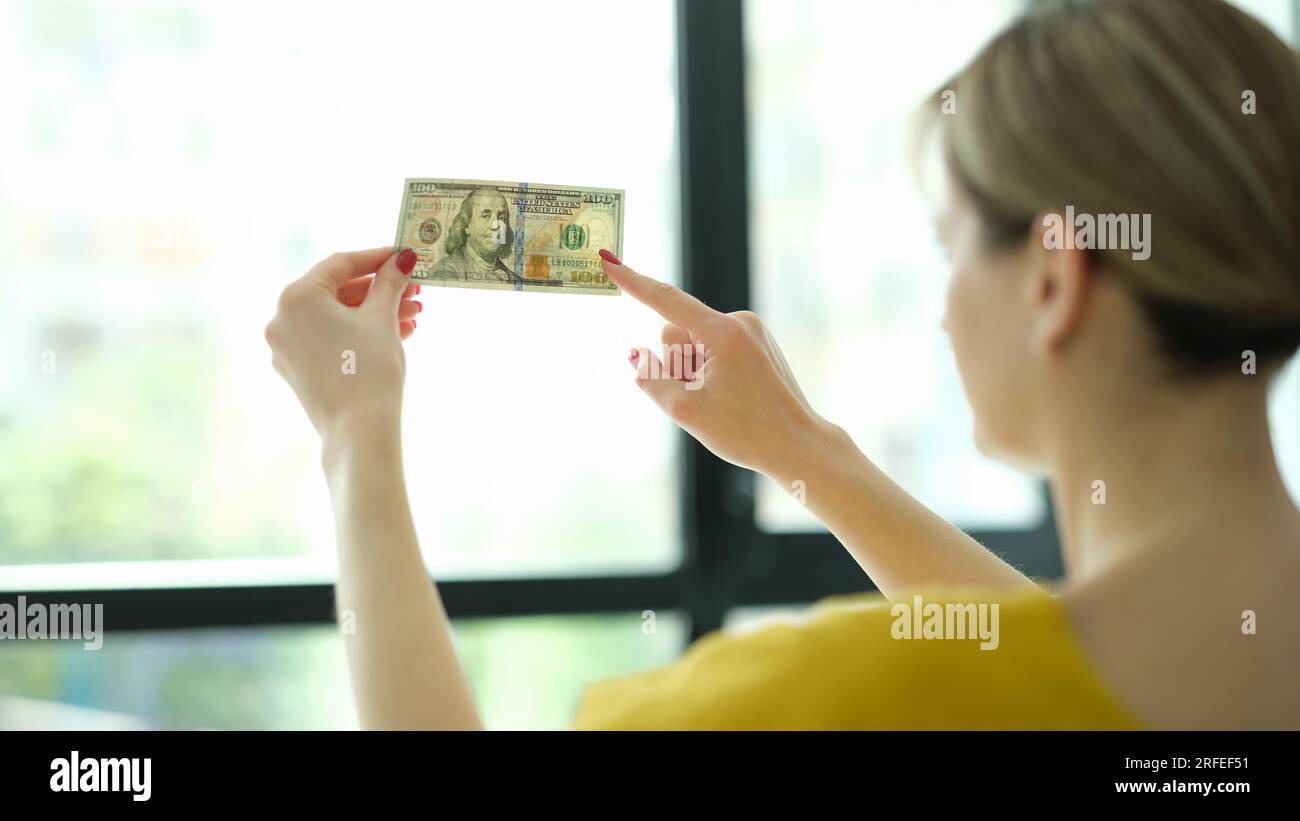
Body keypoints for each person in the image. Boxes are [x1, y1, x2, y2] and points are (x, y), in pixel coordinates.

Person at [264, 0, 1300, 730]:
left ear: (1050, 279)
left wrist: (356, 436)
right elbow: (1057, 669)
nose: (941, 309)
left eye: (948, 249)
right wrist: (805, 451)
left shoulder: (821, 700)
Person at [428, 187, 521, 283]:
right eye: (486, 216)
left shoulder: (516, 281)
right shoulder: (444, 272)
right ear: (467, 225)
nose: (496, 225)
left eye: (502, 217)